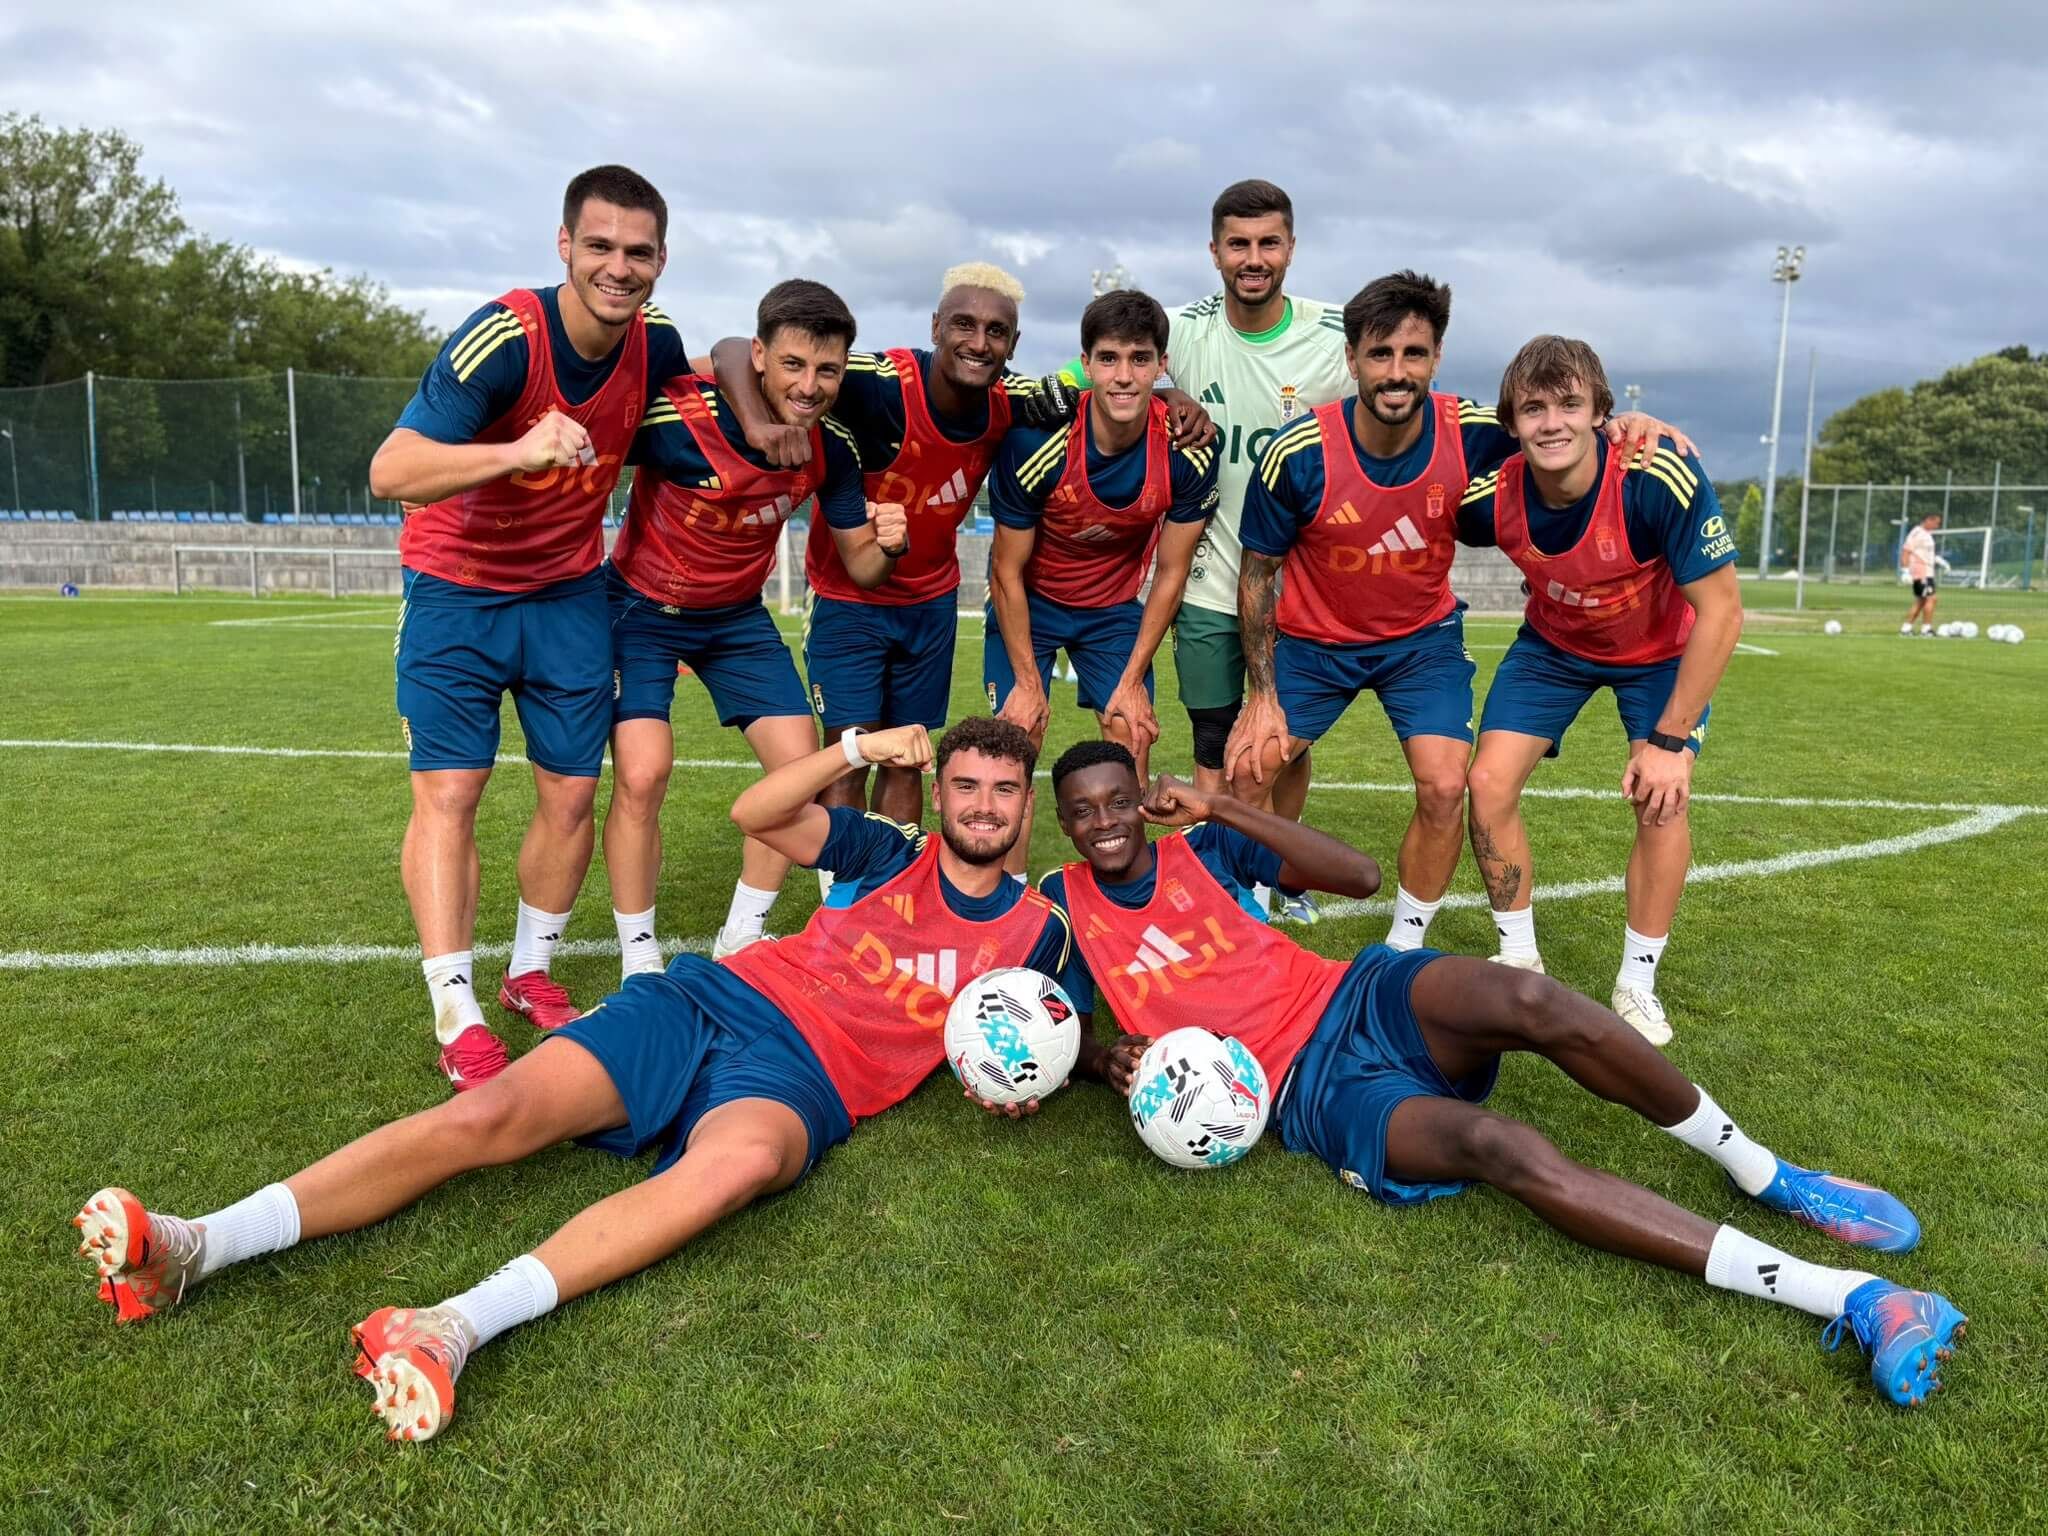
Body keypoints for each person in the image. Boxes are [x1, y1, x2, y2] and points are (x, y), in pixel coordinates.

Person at [71, 719, 1071, 1444]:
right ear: (941, 794)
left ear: (1025, 808)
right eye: (968, 787)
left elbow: (1044, 1044)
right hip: (709, 1003)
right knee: (494, 1111)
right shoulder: (881, 851)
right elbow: (754, 811)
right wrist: (856, 749)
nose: (984, 807)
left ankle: (450, 1329)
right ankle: (195, 1244)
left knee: (733, 1172)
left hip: (802, 1076)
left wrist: (1025, 1082)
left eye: (1003, 793)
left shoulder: (1039, 934)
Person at [1040, 742, 1966, 1409]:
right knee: (1497, 1145)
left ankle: (1766, 1172)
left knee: (1537, 1004)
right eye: (1081, 810)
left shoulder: (1204, 850)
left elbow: (1360, 879)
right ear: (1064, 821)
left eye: (1116, 801)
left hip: (1357, 991)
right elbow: (1056, 1029)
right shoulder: (1064, 907)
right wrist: (1098, 1062)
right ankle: (1852, 1297)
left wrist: (1222, 806)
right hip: (1300, 1092)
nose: (1103, 823)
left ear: (1141, 797)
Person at [1227, 272, 1688, 956]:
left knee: (1446, 786)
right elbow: (1258, 575)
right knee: (1249, 769)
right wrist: (1261, 696)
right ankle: (1249, 911)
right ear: (1351, 360)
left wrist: (1628, 426)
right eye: (1379, 355)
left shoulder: (1473, 430)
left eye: (1413, 354)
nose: (1396, 372)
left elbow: (1564, 435)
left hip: (1421, 643)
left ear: (1436, 359)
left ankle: (1403, 946)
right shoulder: (1296, 455)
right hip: (1315, 643)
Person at [367, 165, 697, 1089]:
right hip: (457, 591)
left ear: (661, 260)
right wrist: (519, 449)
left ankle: (529, 972)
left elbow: (721, 370)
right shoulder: (505, 337)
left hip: (566, 596)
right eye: (600, 246)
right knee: (452, 794)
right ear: (565, 245)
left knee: (570, 796)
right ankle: (456, 1006)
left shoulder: (654, 343)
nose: (618, 267)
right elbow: (390, 471)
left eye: (638, 252)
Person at [604, 279, 903, 971]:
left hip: (736, 619)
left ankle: (742, 936)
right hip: (640, 612)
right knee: (644, 774)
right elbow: (588, 466)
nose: (810, 384)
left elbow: (863, 569)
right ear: (761, 357)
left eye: (827, 370)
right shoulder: (680, 418)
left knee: (798, 770)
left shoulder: (832, 447)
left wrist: (889, 541)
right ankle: (638, 957)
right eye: (794, 364)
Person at [1460, 337, 1741, 1046]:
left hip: (1659, 655)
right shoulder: (1492, 491)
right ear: (1512, 423)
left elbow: (1723, 611)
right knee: (1487, 782)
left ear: (1601, 414)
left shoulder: (1654, 475)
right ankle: (1519, 955)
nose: (1551, 422)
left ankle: (1636, 983)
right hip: (1554, 648)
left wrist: (1671, 743)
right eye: (1533, 408)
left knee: (1661, 798)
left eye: (1569, 404)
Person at [1156, 180, 1354, 924]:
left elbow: (1418, 394)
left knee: (1285, 747)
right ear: (1214, 252)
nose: (1253, 258)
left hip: (1297, 586)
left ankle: (1279, 875)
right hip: (1209, 577)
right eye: (1238, 244)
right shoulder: (1180, 331)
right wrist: (1163, 397)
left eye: (1269, 243)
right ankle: (1224, 890)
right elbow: (1095, 374)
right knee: (1214, 743)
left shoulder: (1336, 335)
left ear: (1291, 249)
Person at [985, 288, 1220, 873]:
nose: (1123, 376)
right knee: (1015, 742)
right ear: (1085, 364)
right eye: (1109, 359)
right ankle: (1006, 898)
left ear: (1161, 366)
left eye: (1140, 359)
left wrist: (1134, 677)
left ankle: (1122, 896)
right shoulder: (1036, 444)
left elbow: (1171, 573)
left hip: (1113, 609)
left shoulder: (1187, 451)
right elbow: (1005, 571)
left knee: (1130, 735)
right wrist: (1026, 682)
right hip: (1031, 607)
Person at [1899, 513, 1948, 636]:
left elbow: (1924, 553)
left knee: (1921, 601)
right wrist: (1905, 571)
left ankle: (1906, 628)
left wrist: (1939, 560)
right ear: (1928, 520)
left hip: (1927, 571)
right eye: (1936, 523)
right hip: (1921, 572)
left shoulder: (1927, 535)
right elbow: (1906, 551)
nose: (1937, 526)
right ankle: (1926, 629)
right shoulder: (1917, 533)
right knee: (1931, 598)